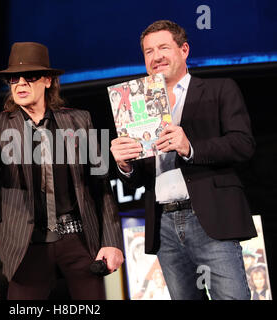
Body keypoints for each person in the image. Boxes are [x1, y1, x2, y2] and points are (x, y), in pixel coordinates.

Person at [0, 42, 124, 299]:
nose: (21, 83)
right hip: (27, 244)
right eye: (14, 78)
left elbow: (100, 183)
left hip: (77, 238)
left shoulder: (80, 120)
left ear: (48, 80)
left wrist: (112, 241)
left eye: (30, 76)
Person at [110, 20, 257, 300]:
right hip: (163, 224)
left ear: (184, 49)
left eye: (164, 47)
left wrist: (190, 148)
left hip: (211, 219)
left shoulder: (220, 90)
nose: (156, 57)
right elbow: (140, 177)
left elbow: (243, 144)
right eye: (148, 51)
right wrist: (125, 165)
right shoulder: (135, 106)